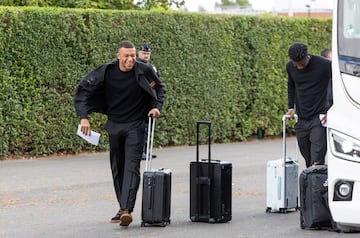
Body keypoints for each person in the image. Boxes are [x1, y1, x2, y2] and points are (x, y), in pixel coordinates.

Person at [74, 40, 165, 227]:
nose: (130, 59)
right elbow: (84, 89)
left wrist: (156, 107)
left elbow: (159, 88)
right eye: (127, 56)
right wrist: (84, 117)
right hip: (114, 125)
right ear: (118, 56)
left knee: (132, 166)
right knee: (118, 167)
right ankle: (122, 206)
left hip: (136, 126)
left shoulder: (144, 70)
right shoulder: (106, 72)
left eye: (133, 55)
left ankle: (126, 209)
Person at [286, 42, 332, 168]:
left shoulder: (324, 65)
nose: (299, 67)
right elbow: (291, 85)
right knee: (307, 158)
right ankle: (312, 184)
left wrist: (332, 109)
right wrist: (291, 107)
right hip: (302, 118)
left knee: (317, 159)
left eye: (301, 63)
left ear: (307, 56)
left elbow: (337, 84)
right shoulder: (290, 67)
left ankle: (316, 185)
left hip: (319, 117)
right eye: (296, 63)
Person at [137, 43, 158, 160]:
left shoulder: (151, 67)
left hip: (149, 101)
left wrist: (150, 86)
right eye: (144, 53)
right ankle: (139, 152)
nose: (146, 55)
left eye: (147, 53)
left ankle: (145, 150)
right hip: (138, 101)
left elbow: (156, 81)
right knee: (140, 128)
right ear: (139, 53)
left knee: (147, 128)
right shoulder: (136, 66)